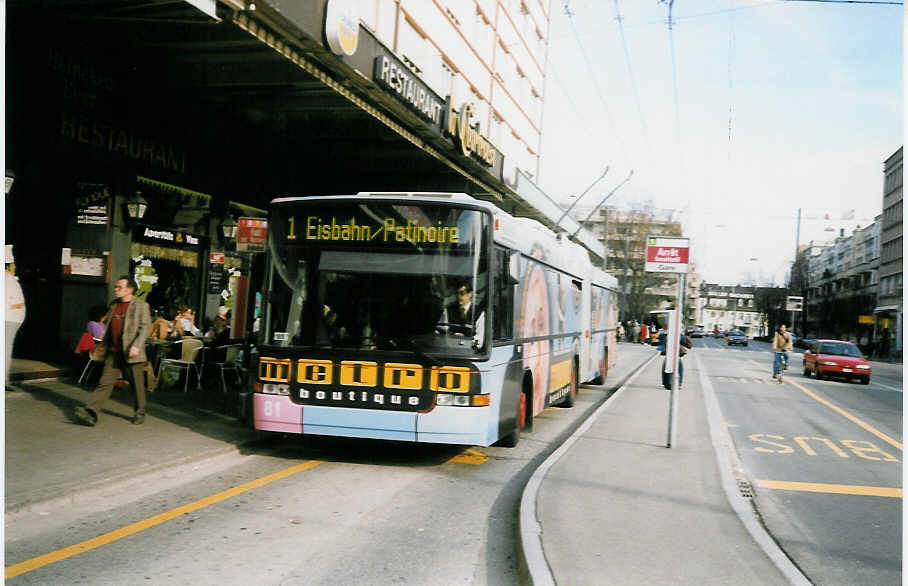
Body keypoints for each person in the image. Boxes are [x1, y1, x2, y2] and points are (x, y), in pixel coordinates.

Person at [74, 276, 152, 426]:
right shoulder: (114, 305)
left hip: (131, 352)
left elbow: (145, 327)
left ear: (129, 290)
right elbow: (109, 324)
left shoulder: (141, 306)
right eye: (116, 287)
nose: (115, 289)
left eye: (119, 287)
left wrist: (137, 345)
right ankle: (91, 412)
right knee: (105, 383)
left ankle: (140, 412)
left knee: (136, 385)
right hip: (114, 351)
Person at [5, 245, 26, 387]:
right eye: (13, 265)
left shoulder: (9, 279)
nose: (15, 267)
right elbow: (15, 302)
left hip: (11, 319)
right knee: (6, 350)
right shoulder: (9, 280)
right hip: (9, 319)